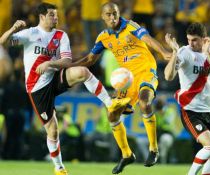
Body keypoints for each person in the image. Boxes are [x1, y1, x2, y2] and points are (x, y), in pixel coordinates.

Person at [0, 3, 130, 175]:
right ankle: (59, 167)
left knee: (83, 71)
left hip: (54, 77)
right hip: (37, 87)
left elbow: (67, 62)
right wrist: (12, 29)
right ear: (42, 17)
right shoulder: (30, 34)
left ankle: (110, 103)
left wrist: (49, 63)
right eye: (52, 15)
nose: (56, 17)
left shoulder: (61, 36)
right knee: (52, 131)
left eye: (56, 14)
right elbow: (2, 43)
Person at [70, 2, 172, 174]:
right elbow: (90, 59)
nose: (112, 17)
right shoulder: (103, 37)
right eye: (108, 14)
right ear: (102, 17)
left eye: (115, 13)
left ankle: (153, 149)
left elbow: (147, 39)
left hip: (146, 70)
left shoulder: (131, 26)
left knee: (144, 102)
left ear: (119, 13)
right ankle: (127, 154)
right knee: (112, 114)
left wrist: (163, 52)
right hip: (127, 78)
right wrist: (70, 67)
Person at [164, 22, 210, 175]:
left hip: (208, 110)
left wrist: (207, 53)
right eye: (189, 39)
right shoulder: (184, 52)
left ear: (204, 39)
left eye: (195, 40)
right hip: (190, 110)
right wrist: (175, 52)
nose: (191, 43)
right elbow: (168, 76)